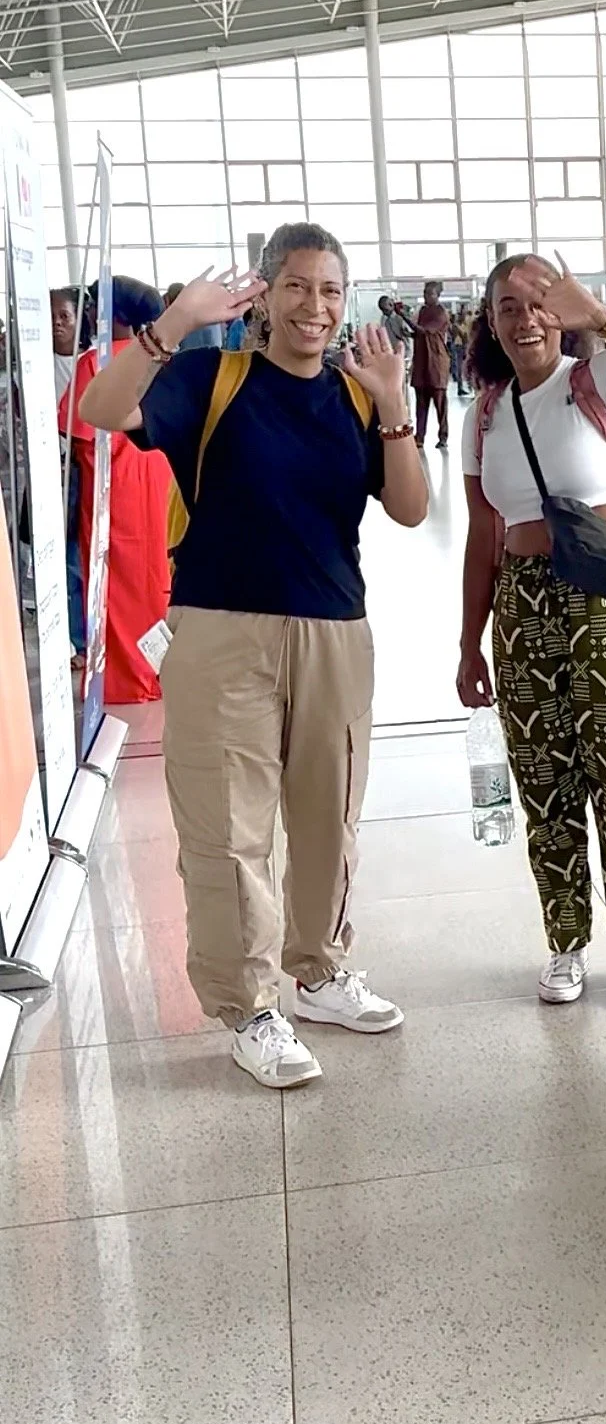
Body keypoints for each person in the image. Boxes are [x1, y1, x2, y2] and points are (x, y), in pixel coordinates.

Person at [78, 223, 429, 1090]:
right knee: (229, 827)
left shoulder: (354, 396)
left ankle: (316, 971)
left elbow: (413, 510)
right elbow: (100, 410)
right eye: (299, 287)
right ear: (265, 296)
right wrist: (173, 327)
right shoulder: (212, 378)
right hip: (221, 628)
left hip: (334, 632)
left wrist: (392, 404)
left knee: (328, 813)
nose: (316, 306)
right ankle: (251, 1006)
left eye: (331, 291)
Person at [457, 253, 606, 1013]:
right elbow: (482, 534)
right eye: (507, 308)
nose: (523, 318)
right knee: (544, 780)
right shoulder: (483, 412)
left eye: (536, 302)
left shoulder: (599, 382)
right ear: (489, 323)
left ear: (559, 310)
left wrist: (601, 317)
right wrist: (469, 641)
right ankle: (565, 944)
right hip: (522, 605)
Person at [61, 277, 174, 704]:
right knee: (157, 581)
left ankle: (128, 679)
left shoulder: (98, 363)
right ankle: (160, 672)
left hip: (115, 489)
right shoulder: (163, 361)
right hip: (159, 481)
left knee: (115, 586)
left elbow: (77, 431)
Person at [51, 289, 85, 663]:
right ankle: (78, 641)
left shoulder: (90, 362)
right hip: (60, 477)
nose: (58, 325)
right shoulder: (31, 368)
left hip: (88, 470)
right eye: (52, 318)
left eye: (65, 316)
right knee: (70, 561)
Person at [410, 280, 452, 451]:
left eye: (430, 293)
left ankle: (443, 436)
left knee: (440, 403)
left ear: (438, 295)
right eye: (425, 293)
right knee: (421, 403)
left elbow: (426, 331)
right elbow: (419, 333)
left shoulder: (441, 313)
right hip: (421, 362)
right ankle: (419, 437)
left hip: (435, 363)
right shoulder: (423, 311)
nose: (426, 296)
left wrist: (404, 317)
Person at [166, 281, 223, 352]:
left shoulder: (179, 318)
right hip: (216, 357)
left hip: (190, 358)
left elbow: (170, 349)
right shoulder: (211, 312)